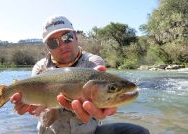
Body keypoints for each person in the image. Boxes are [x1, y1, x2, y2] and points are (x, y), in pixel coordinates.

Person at [10, 15, 150, 134]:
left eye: (67, 37)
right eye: (53, 43)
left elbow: (102, 90)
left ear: (76, 37)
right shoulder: (40, 68)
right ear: (47, 47)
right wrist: (42, 107)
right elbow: (45, 119)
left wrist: (104, 104)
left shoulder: (92, 62)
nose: (62, 45)